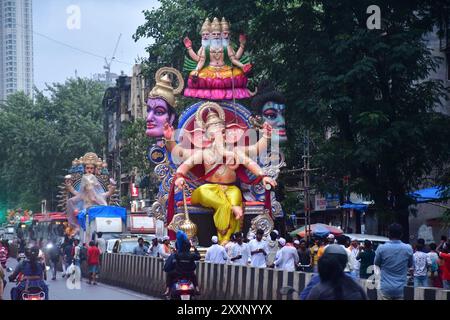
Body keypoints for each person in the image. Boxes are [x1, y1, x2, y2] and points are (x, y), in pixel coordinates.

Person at [374, 223, 413, 300]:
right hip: (401, 289)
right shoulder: (408, 248)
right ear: (401, 234)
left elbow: (376, 264)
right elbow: (410, 264)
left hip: (385, 288)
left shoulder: (381, 248)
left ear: (388, 234)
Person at [163, 231, 200, 296]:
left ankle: (167, 290)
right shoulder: (191, 255)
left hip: (178, 273)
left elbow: (168, 266)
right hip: (189, 274)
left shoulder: (176, 255)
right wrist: (195, 249)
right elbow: (198, 257)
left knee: (169, 275)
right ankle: (197, 289)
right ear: (188, 246)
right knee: (194, 276)